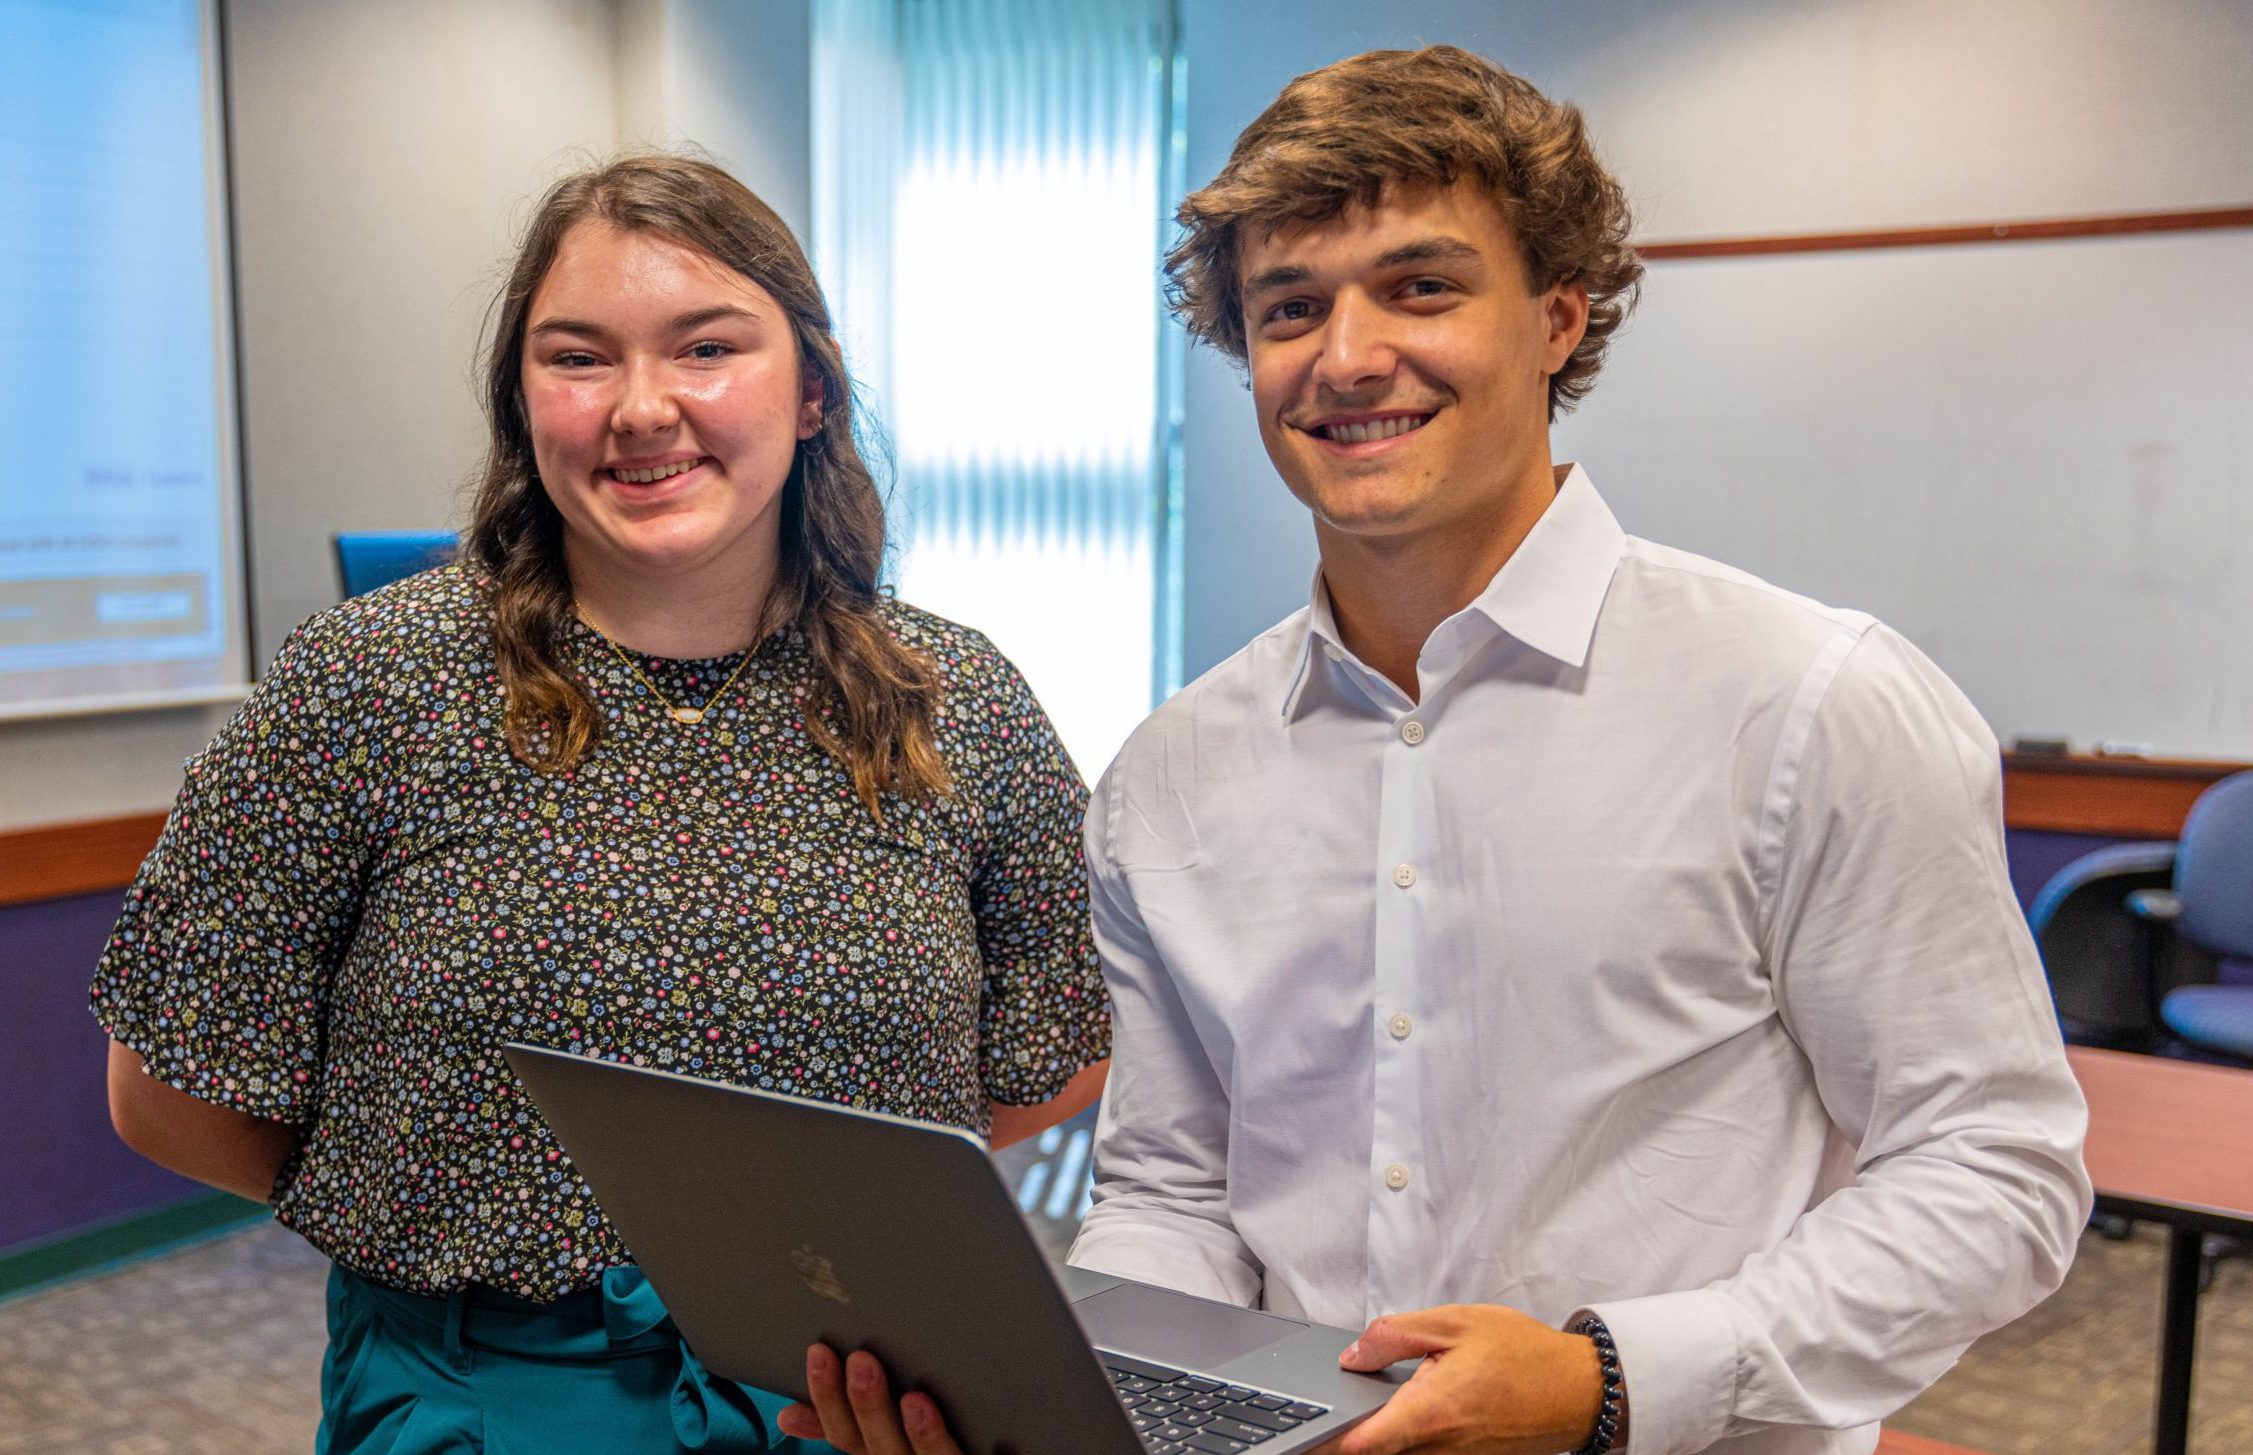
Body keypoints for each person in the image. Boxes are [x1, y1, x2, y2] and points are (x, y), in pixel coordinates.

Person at [787, 44, 2092, 1455]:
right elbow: (1174, 1196)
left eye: (1419, 287)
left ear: (1554, 319)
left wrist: (1613, 1383)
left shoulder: (1808, 704)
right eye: (1290, 308)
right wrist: (1071, 1407)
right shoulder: (1172, 771)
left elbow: (1993, 1170)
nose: (1346, 357)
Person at [93, 153, 1110, 1455]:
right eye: (577, 358)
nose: (642, 409)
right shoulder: (371, 679)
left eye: (705, 348)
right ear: (523, 403)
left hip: (859, 1408)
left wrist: (833, 1241)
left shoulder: (951, 694)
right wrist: (423, 1222)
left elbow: (1056, 1039)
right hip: (482, 1400)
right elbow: (172, 1080)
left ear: (810, 388)